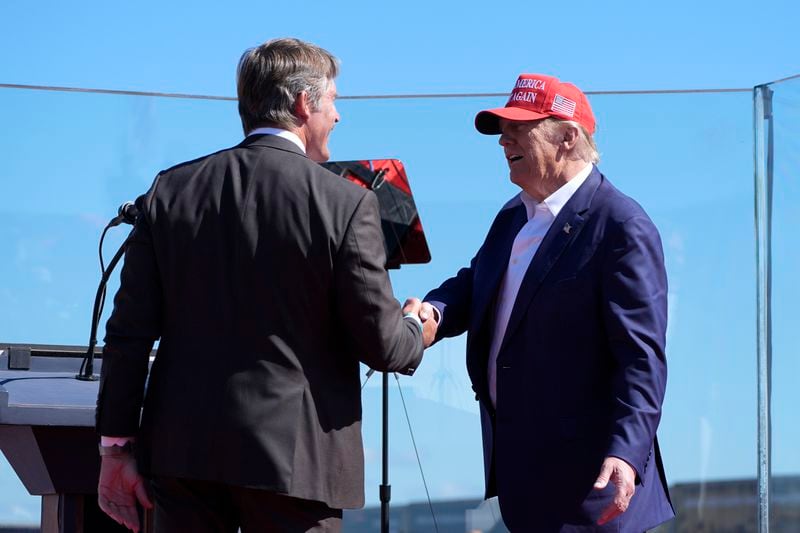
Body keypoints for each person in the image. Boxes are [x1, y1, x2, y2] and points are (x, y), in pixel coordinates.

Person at [95, 37, 432, 533]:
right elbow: (382, 345)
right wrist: (415, 329)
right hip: (296, 464)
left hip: (183, 459)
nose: (337, 116)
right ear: (303, 104)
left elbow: (127, 335)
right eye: (334, 101)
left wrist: (115, 447)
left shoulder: (169, 191)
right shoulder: (347, 205)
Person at [416, 73, 675, 531]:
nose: (504, 141)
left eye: (519, 128)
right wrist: (434, 311)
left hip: (594, 487)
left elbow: (641, 358)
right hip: (526, 479)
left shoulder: (620, 225)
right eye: (502, 130)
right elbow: (478, 282)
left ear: (568, 137)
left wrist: (625, 454)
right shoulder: (514, 215)